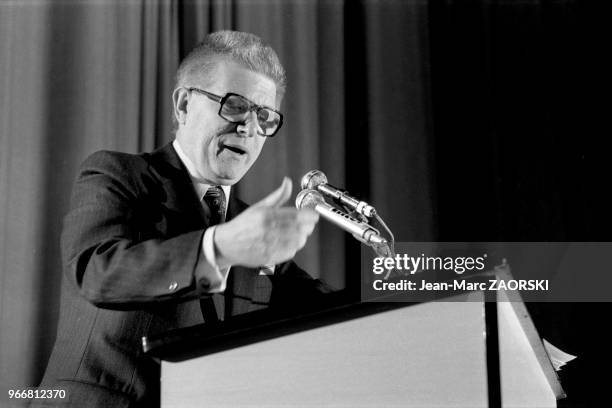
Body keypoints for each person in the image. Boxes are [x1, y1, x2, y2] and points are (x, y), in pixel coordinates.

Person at [33, 30, 330, 407]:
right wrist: (219, 247)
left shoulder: (251, 228)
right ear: (184, 105)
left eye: (264, 116)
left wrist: (415, 273)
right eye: (235, 105)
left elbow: (330, 311)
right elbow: (96, 272)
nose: (249, 127)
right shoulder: (119, 175)